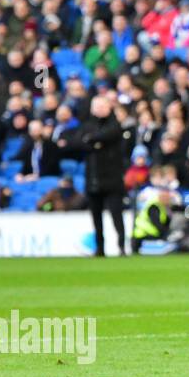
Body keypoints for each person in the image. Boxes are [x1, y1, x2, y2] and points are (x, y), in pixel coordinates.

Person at [65, 95, 129, 257]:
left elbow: (107, 135)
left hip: (112, 179)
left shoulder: (114, 125)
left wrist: (91, 140)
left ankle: (122, 246)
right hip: (93, 179)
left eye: (103, 106)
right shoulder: (87, 125)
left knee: (116, 214)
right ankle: (100, 248)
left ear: (109, 108)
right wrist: (93, 142)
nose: (100, 109)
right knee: (96, 217)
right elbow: (75, 143)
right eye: (97, 106)